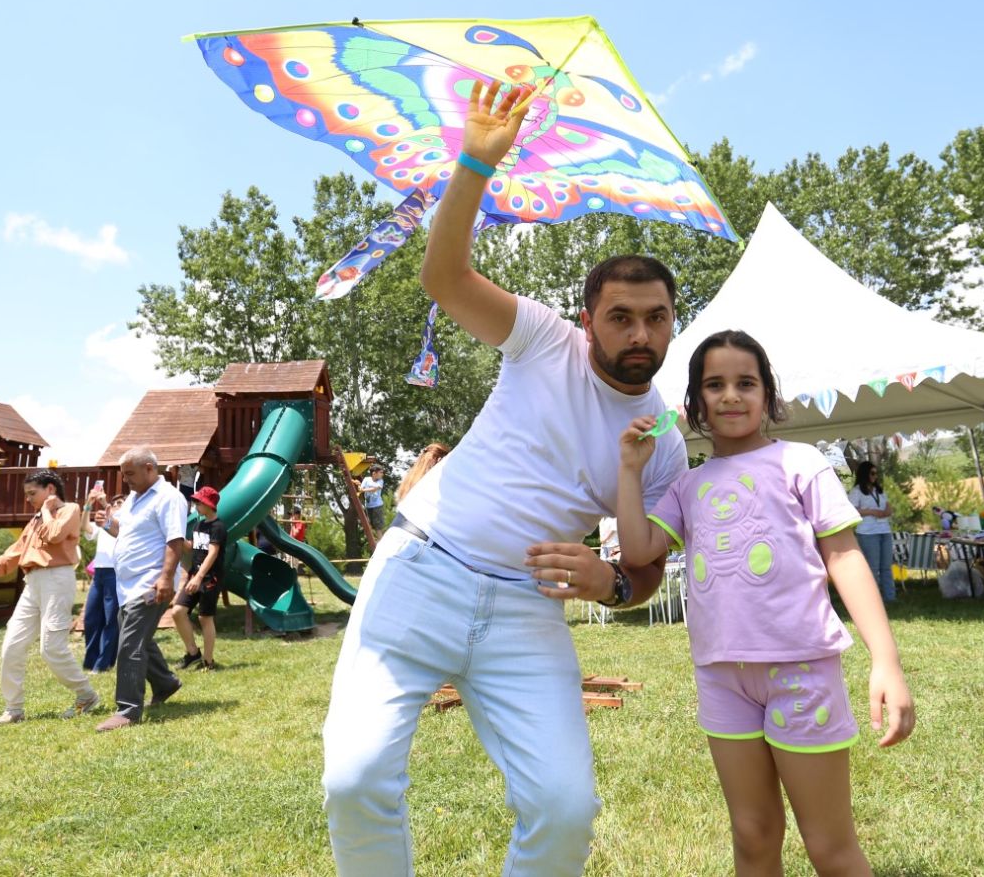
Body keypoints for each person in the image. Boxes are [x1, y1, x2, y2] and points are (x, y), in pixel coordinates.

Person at [322, 79, 689, 875]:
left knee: (565, 807)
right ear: (588, 319)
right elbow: (445, 278)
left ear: (672, 322)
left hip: (527, 608)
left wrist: (609, 582)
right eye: (621, 316)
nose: (640, 333)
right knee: (355, 780)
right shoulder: (543, 340)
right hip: (423, 567)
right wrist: (477, 162)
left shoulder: (663, 440)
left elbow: (646, 569)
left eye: (656, 317)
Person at [616, 330, 914, 876]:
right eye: (715, 385)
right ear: (695, 402)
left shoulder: (801, 462)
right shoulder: (687, 486)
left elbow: (844, 556)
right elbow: (638, 551)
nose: (731, 395)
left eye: (745, 383)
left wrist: (886, 661)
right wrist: (631, 471)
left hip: (801, 671)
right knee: (752, 837)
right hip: (721, 677)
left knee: (829, 846)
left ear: (768, 395)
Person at [0, 469, 100, 725]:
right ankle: (13, 709)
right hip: (32, 583)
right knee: (11, 645)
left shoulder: (70, 509)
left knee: (51, 648)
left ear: (50, 489)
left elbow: (54, 535)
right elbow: (12, 555)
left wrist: (46, 509)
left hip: (57, 580)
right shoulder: (35, 520)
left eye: (32, 493)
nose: (28, 499)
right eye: (27, 494)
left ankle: (86, 695)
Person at [90, 446, 189, 732]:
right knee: (136, 638)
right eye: (124, 474)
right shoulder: (135, 498)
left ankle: (128, 710)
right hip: (127, 585)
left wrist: (166, 579)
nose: (126, 480)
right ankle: (165, 683)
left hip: (150, 582)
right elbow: (126, 533)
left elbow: (174, 540)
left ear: (149, 468)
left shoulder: (169, 497)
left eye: (130, 473)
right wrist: (108, 524)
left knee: (129, 644)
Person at [169, 486, 225, 671]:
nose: (196, 505)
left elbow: (213, 553)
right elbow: (193, 547)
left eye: (199, 502)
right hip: (194, 575)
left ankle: (208, 662)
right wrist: (177, 537)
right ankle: (193, 653)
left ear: (209, 504)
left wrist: (199, 577)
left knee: (204, 618)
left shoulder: (218, 527)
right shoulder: (199, 525)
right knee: (178, 611)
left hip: (209, 578)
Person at [81, 491, 122, 672]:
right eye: (115, 503)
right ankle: (90, 661)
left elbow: (117, 526)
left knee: (110, 619)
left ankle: (103, 663)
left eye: (120, 503)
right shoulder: (104, 522)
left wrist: (106, 503)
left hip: (115, 573)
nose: (116, 505)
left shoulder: (124, 521)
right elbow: (86, 528)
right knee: (91, 617)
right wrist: (88, 504)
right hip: (99, 573)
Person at [848, 461, 896, 604]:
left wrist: (888, 511)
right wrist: (871, 512)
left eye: (876, 473)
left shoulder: (879, 490)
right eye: (872, 473)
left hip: (884, 530)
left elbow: (888, 506)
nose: (875, 476)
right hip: (868, 533)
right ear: (865, 474)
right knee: (873, 567)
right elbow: (852, 510)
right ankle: (874, 599)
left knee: (886, 566)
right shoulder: (856, 491)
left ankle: (890, 597)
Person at [358, 464, 386, 535]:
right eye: (380, 472)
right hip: (368, 506)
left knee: (378, 527)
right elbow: (361, 488)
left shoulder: (380, 481)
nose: (382, 474)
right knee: (370, 525)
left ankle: (381, 540)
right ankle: (375, 540)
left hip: (377, 506)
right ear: (374, 473)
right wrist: (360, 487)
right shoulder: (366, 479)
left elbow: (374, 489)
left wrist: (363, 490)